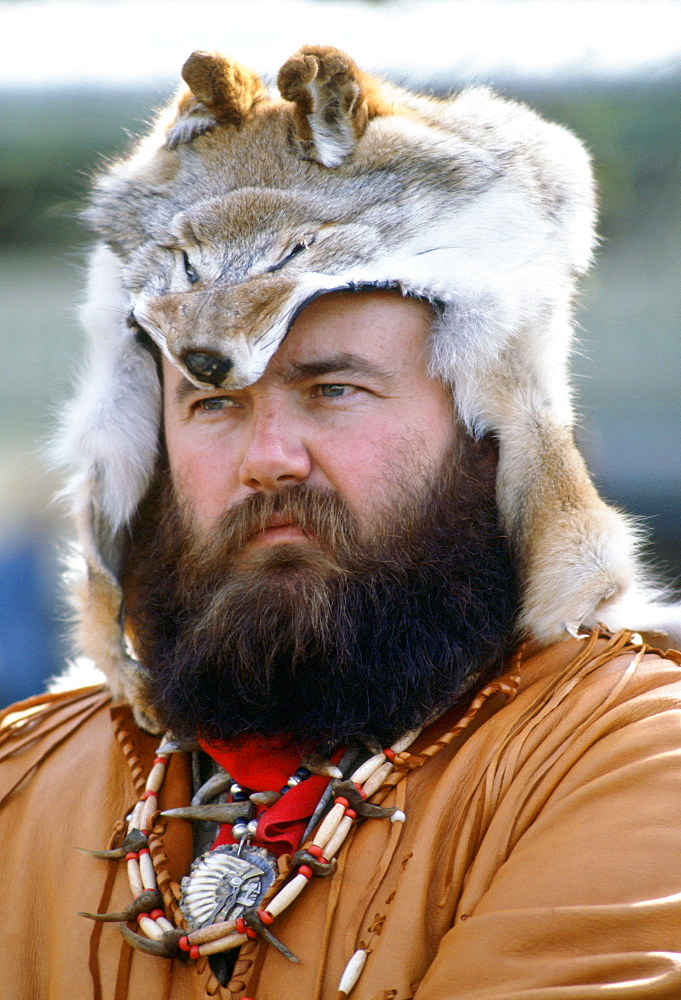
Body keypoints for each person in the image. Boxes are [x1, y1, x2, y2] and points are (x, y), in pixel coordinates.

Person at [0, 44, 680, 1000]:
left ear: (488, 431)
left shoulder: (629, 752)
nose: (269, 455)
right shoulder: (20, 784)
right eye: (211, 398)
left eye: (333, 389)